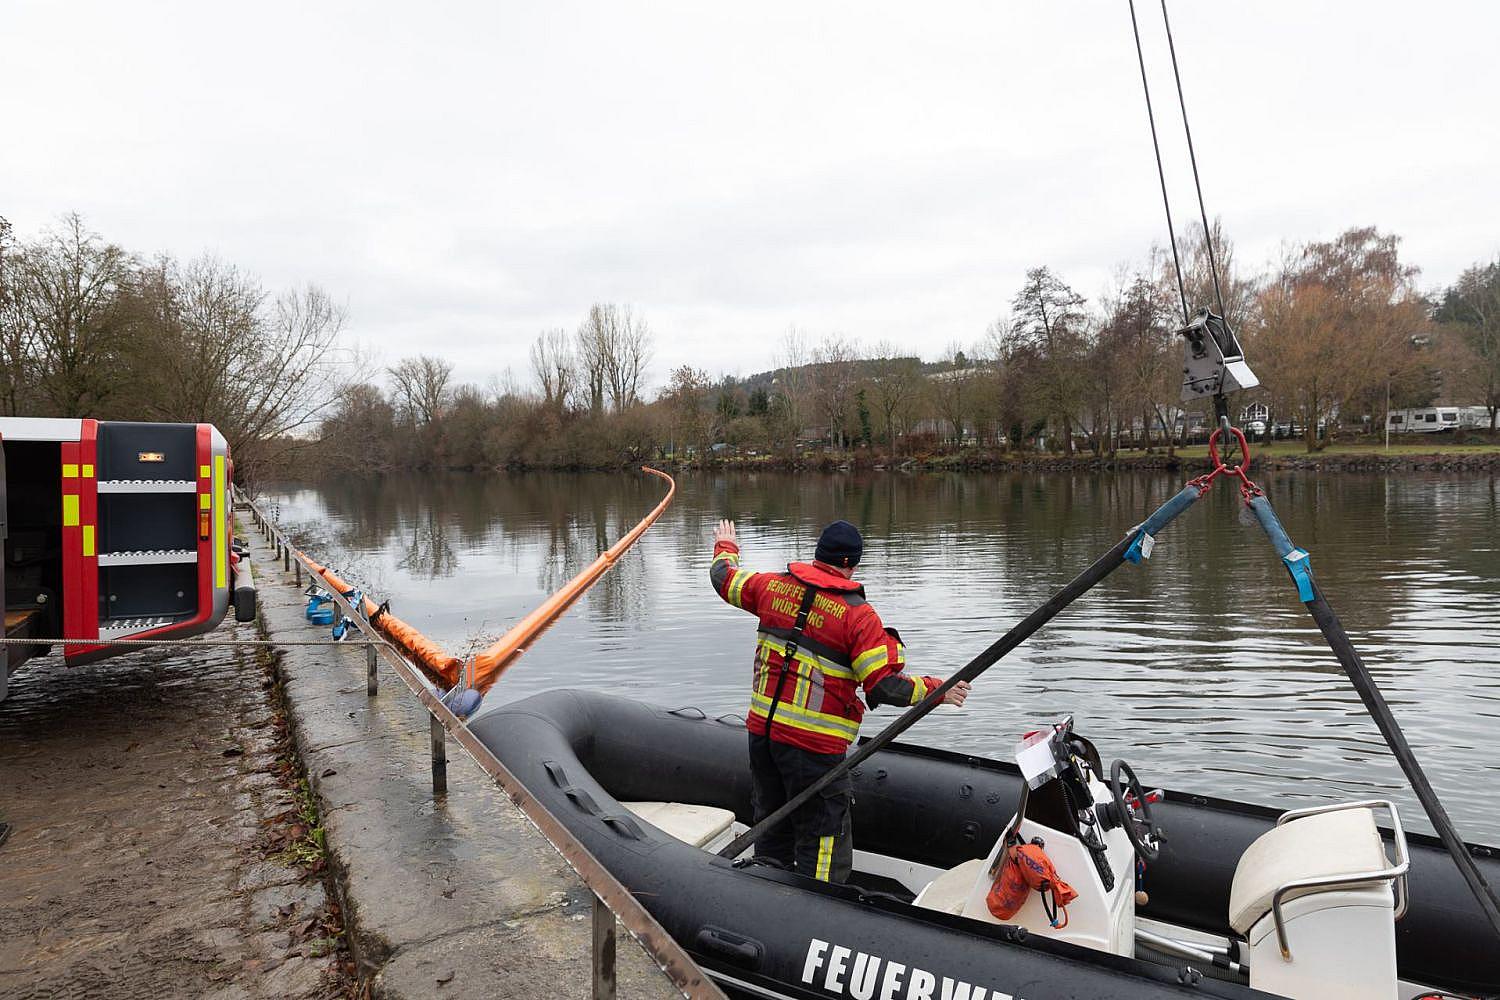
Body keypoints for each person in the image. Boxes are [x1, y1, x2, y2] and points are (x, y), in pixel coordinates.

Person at [710, 517, 970, 883]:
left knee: (771, 823)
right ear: (852, 564)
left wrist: (727, 547)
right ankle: (818, 902)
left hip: (763, 738)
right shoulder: (857, 617)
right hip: (814, 749)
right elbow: (883, 686)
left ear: (817, 555)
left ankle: (767, 888)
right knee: (823, 840)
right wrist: (937, 690)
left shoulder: (770, 587)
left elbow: (723, 578)